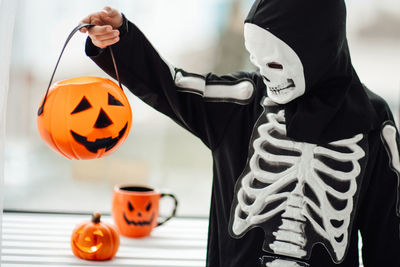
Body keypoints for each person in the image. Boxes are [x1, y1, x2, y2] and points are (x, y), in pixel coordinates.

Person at [80, 1, 400, 266]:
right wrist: (120, 40)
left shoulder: (373, 121)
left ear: (318, 50)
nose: (264, 74)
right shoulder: (243, 100)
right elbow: (171, 87)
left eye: (274, 63)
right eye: (256, 60)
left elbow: (387, 236)